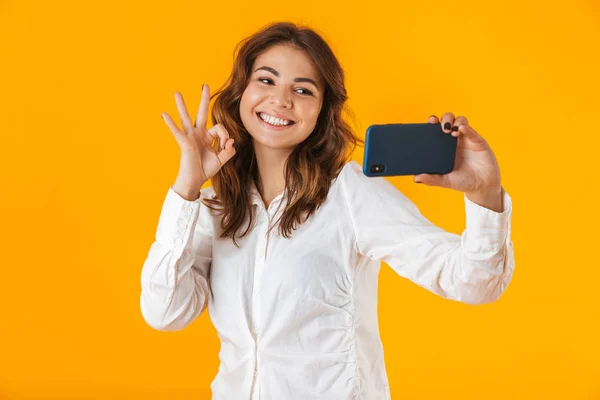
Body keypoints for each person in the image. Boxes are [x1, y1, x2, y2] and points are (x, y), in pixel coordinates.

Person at [140, 21, 515, 400]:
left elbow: (472, 282)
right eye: (266, 81)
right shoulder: (216, 209)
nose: (281, 100)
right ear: (242, 93)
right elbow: (164, 312)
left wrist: (485, 193)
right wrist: (186, 188)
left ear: (322, 110)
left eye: (302, 90)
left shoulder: (349, 192)